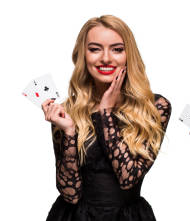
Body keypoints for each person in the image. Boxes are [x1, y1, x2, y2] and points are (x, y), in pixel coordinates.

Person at [43, 15, 171, 221]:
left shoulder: (154, 107)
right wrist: (68, 131)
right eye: (95, 49)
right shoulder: (68, 110)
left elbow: (128, 178)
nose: (106, 58)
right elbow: (70, 193)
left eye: (117, 49)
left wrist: (105, 113)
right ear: (83, 55)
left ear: (129, 54)